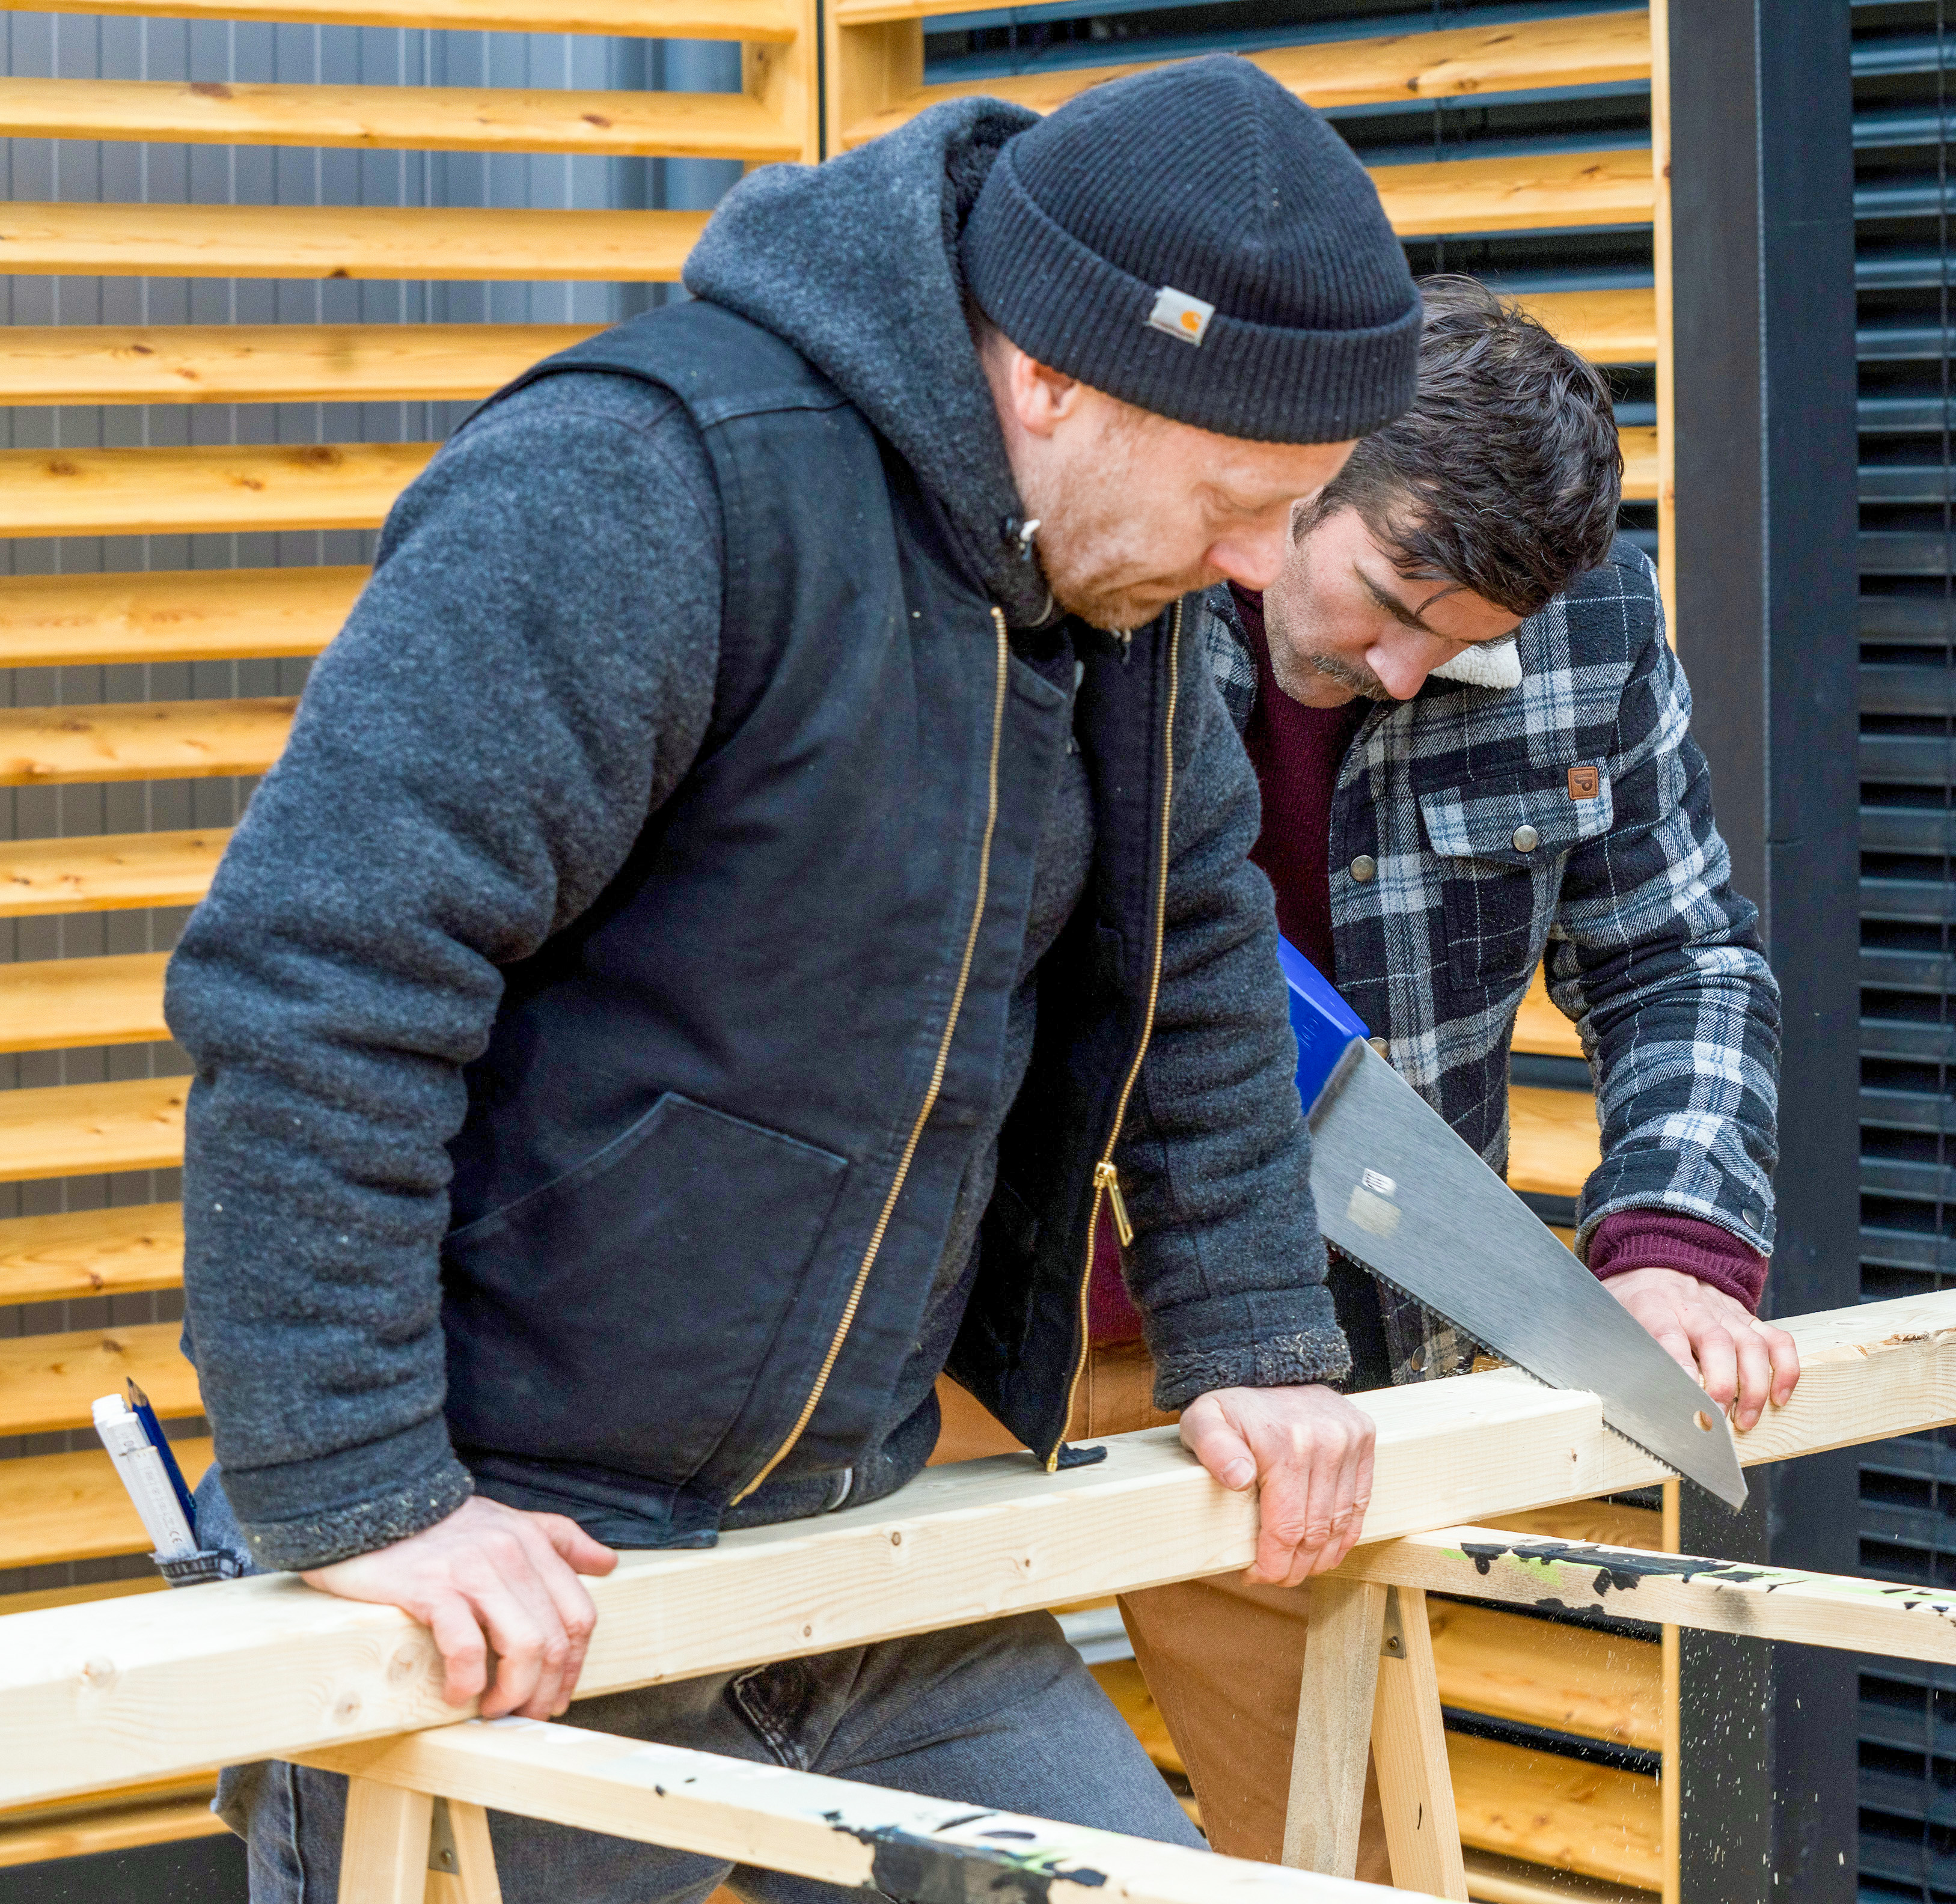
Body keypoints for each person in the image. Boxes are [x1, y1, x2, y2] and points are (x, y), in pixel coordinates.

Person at [164, 58, 1420, 1903]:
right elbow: (319, 972)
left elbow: (1199, 951)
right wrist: (364, 1494)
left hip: (866, 1556)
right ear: (1053, 374)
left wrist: (1254, 1337)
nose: (1256, 568)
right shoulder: (648, 485)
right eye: (1237, 499)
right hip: (523, 1578)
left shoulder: (1114, 586)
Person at [937, 277, 1789, 1876]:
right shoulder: (1098, 565)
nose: (1405, 673)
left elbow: (1678, 955)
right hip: (974, 1311)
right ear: (1302, 471)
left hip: (1298, 1371)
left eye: (1460, 650)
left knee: (1356, 1861)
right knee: (784, 1789)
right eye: (1391, 604)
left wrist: (1675, 1247)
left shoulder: (1592, 624)